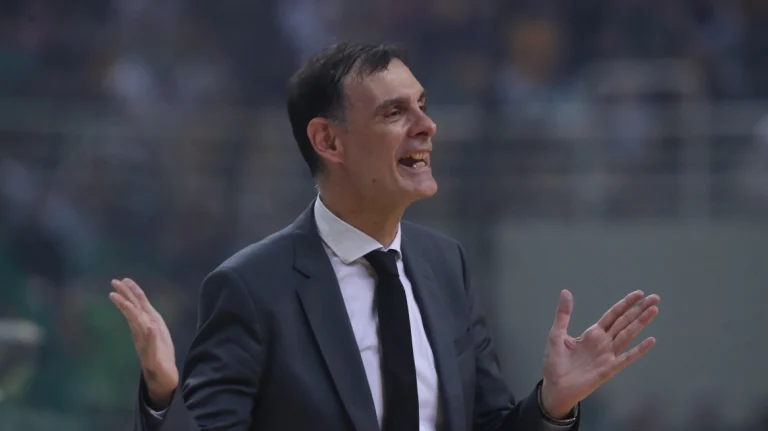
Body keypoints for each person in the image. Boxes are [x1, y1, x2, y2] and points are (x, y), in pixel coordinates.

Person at [109, 43, 660, 431]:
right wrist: (163, 398)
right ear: (329, 141)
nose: (426, 125)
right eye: (395, 112)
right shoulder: (251, 288)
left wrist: (551, 407)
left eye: (423, 105)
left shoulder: (446, 265)